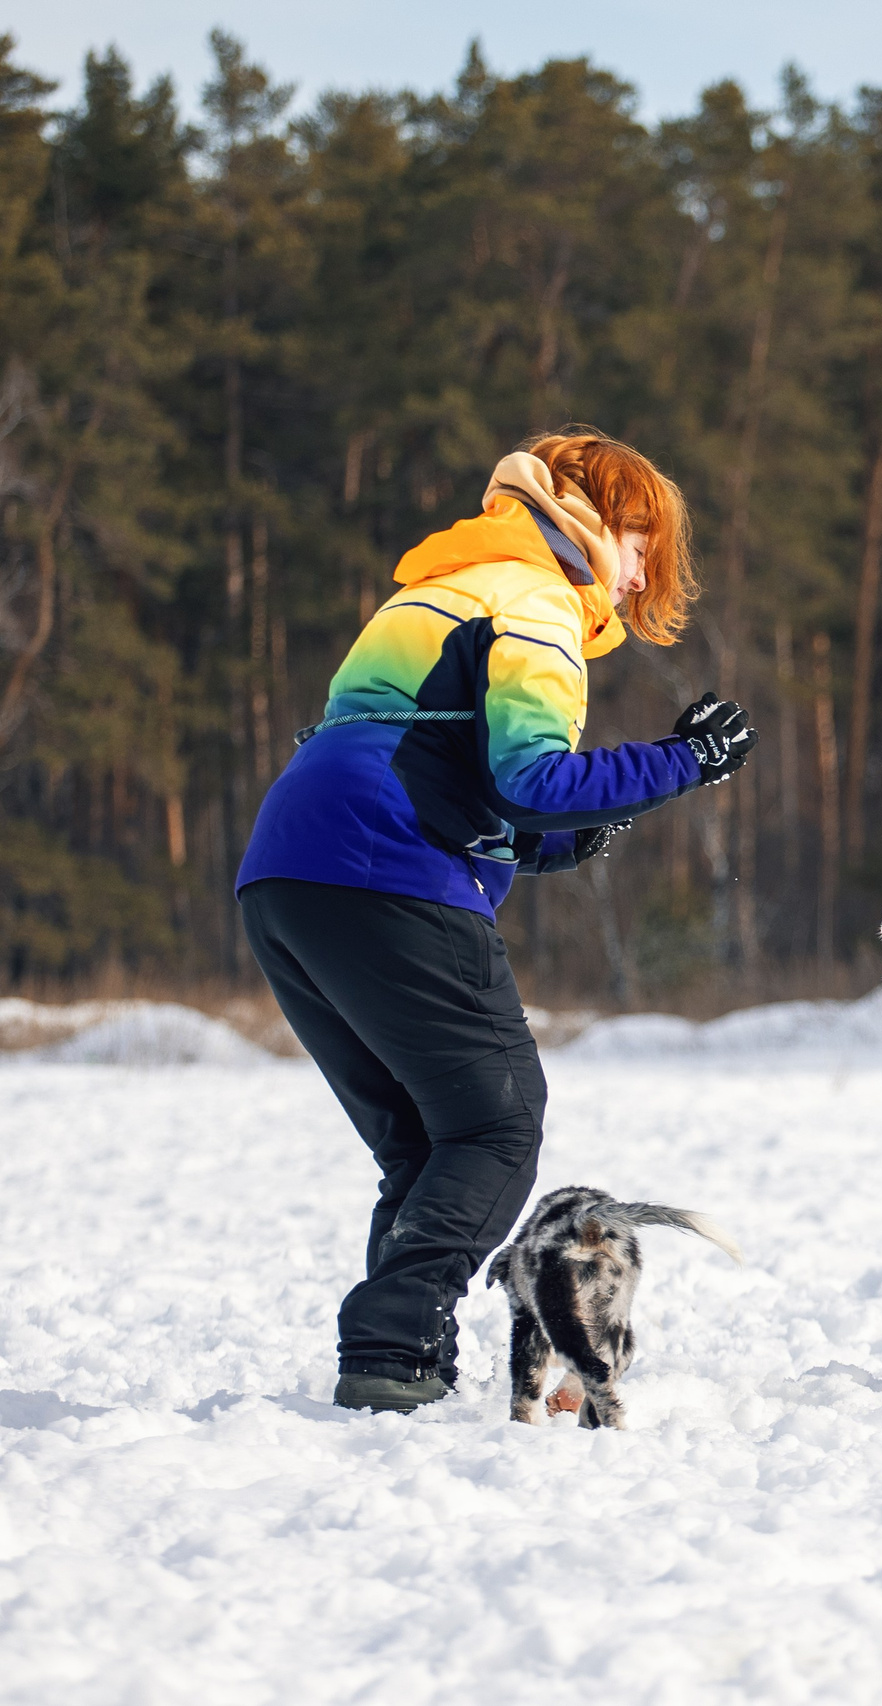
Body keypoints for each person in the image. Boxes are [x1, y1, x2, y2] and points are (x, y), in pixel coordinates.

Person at [235, 429, 756, 1414]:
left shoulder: (449, 585)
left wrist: (557, 841)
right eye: (642, 537)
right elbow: (532, 778)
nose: (645, 566)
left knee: (430, 1140)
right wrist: (685, 760)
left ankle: (401, 1366)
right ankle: (391, 1339)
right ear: (593, 524)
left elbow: (443, 768)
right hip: (382, 867)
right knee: (496, 1120)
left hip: (287, 874)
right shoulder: (533, 598)